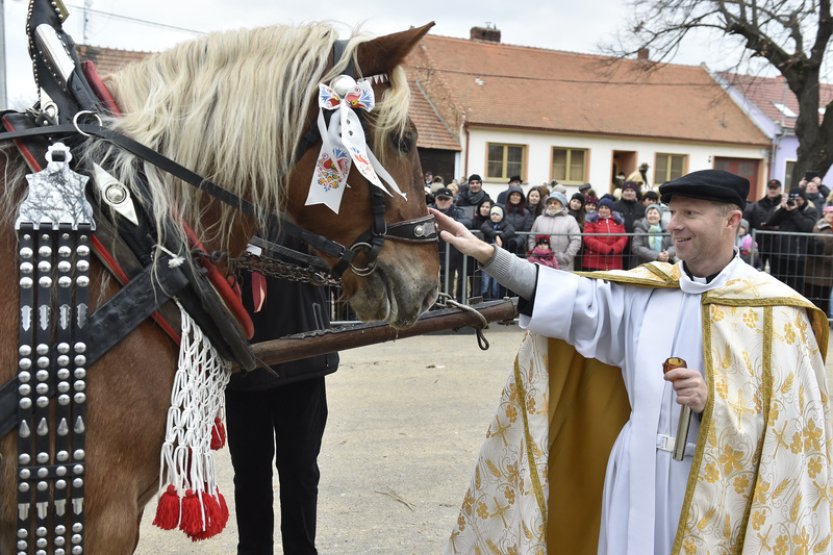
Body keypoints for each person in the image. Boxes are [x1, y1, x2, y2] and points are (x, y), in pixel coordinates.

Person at [432, 168, 831, 554]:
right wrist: (490, 256)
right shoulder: (647, 291)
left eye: (690, 213)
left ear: (732, 221)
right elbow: (569, 301)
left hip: (718, 485)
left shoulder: (775, 313)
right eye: (673, 212)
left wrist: (714, 404)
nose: (675, 224)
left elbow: (793, 431)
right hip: (634, 471)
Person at [226, 236, 338, 555]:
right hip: (242, 364)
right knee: (249, 476)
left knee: (300, 471)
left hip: (303, 358)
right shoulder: (224, 208)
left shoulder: (304, 198)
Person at [765, 187, 817, 293]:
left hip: (797, 255)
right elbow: (770, 222)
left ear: (804, 199)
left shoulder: (810, 211)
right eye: (794, 200)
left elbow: (807, 227)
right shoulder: (785, 209)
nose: (795, 202)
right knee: (777, 285)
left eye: (798, 200)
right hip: (779, 253)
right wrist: (782, 209)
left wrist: (794, 211)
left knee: (795, 287)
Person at [430, 187, 468, 301]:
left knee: (448, 290)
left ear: (452, 200)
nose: (443, 201)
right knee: (431, 291)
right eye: (440, 198)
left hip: (450, 257)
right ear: (435, 200)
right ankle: (430, 315)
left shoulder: (458, 211)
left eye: (446, 199)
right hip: (431, 258)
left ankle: (446, 314)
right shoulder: (428, 210)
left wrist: (452, 222)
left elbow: (468, 222)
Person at [528, 191, 582, 272]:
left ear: (561, 205)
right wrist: (535, 253)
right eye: (550, 203)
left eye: (555, 203)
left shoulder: (570, 220)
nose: (552, 205)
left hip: (563, 265)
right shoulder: (539, 219)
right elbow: (532, 238)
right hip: (541, 263)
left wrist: (566, 257)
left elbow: (576, 240)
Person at [743, 178, 782, 271]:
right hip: (760, 243)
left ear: (780, 189)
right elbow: (750, 223)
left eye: (775, 188)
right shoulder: (757, 205)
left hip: (777, 245)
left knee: (777, 274)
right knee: (757, 271)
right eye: (770, 188)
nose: (772, 190)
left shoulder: (784, 206)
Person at [582, 197, 628, 271]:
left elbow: (623, 238)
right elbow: (588, 238)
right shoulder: (591, 221)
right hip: (594, 262)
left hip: (614, 262)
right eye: (601, 207)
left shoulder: (618, 222)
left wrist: (614, 249)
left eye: (606, 208)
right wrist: (605, 249)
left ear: (611, 210)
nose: (603, 210)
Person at [479, 205, 515, 299]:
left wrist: (501, 237)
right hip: (487, 258)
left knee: (496, 286)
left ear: (502, 216)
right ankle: (484, 301)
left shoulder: (506, 224)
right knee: (485, 285)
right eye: (493, 214)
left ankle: (495, 302)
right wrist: (496, 235)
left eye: (497, 214)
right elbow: (484, 227)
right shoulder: (487, 223)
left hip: (499, 259)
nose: (495, 216)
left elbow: (511, 230)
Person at [804, 205, 833, 315]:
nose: (832, 215)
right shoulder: (818, 228)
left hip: (828, 274)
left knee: (824, 300)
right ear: (824, 213)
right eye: (830, 212)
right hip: (814, 270)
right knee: (812, 299)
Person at [613, 181, 646, 269]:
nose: (629, 193)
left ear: (635, 193)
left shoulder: (642, 208)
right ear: (622, 192)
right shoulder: (614, 206)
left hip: (636, 243)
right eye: (626, 190)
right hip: (619, 244)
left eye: (632, 190)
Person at [503, 184, 534, 254]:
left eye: (517, 195)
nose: (515, 197)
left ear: (521, 198)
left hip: (518, 248)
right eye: (513, 195)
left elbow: (526, 231)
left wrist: (516, 242)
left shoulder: (526, 213)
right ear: (509, 196)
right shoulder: (503, 210)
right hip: (503, 245)